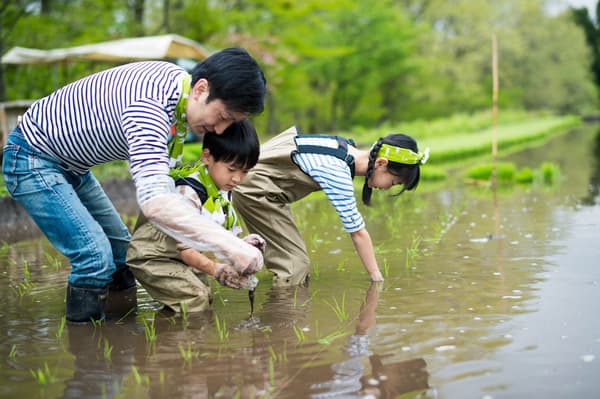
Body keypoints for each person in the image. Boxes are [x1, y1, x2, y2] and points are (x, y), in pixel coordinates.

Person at [1, 47, 267, 323]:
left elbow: (167, 188)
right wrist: (230, 248)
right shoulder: (148, 109)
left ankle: (122, 339)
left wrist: (233, 242)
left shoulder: (177, 87)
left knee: (121, 256)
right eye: (223, 117)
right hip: (33, 158)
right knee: (94, 258)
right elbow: (155, 201)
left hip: (73, 168)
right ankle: (88, 351)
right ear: (201, 89)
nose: (221, 130)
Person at [232, 125, 429, 287]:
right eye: (393, 182)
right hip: (254, 190)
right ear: (381, 163)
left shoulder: (342, 146)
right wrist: (377, 279)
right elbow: (357, 233)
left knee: (291, 258)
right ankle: (281, 324)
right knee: (295, 266)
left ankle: (243, 271)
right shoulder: (338, 172)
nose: (387, 188)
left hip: (259, 187)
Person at [126, 120, 265, 313]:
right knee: (195, 299)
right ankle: (179, 341)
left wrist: (243, 245)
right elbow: (187, 250)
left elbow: (218, 237)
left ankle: (167, 326)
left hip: (179, 257)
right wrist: (217, 270)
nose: (237, 179)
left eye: (245, 172)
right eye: (231, 169)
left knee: (205, 296)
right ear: (207, 156)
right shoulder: (189, 192)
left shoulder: (222, 190)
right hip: (154, 257)